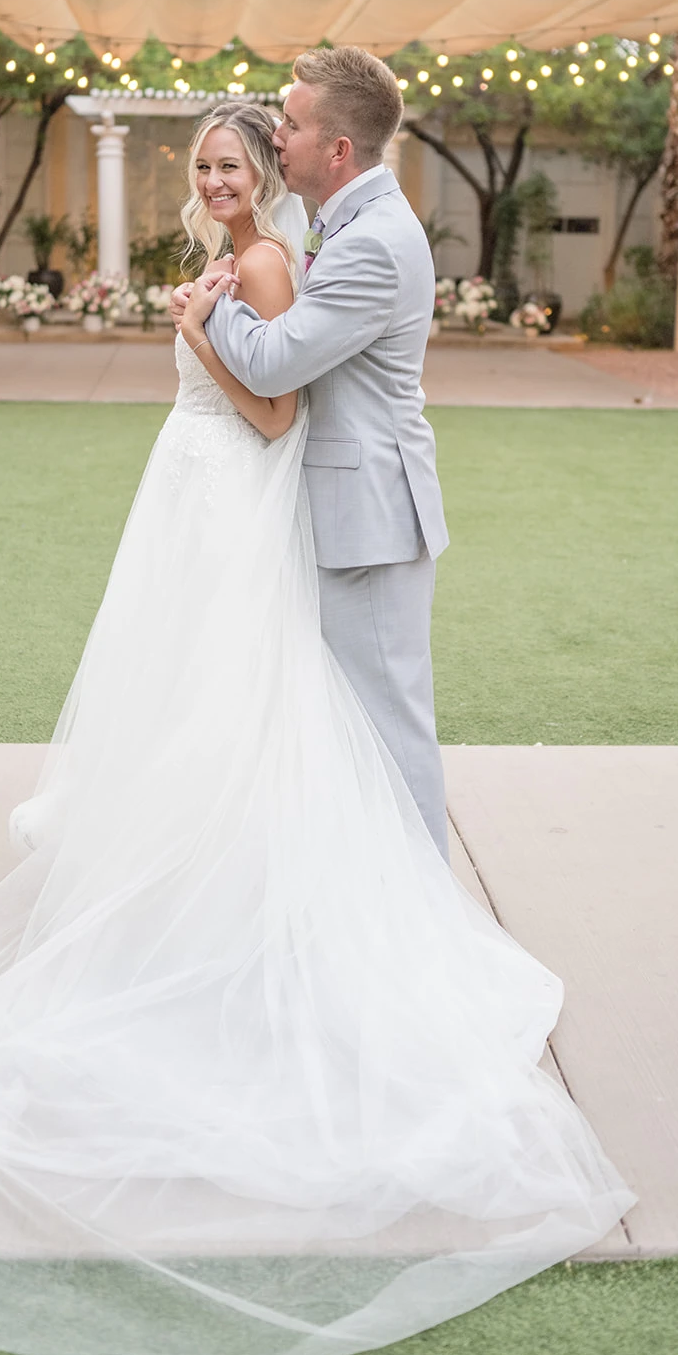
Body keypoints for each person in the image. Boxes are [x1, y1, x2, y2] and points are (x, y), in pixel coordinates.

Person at [0, 96, 635, 1355]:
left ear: (276, 166)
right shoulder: (243, 254)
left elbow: (274, 410)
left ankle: (331, 938)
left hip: (237, 498)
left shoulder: (271, 259)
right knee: (190, 724)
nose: (216, 178)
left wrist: (202, 324)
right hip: (194, 506)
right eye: (203, 163)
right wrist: (201, 311)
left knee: (254, 724)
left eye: (235, 161)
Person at [176, 48, 452, 859]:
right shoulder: (349, 224)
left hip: (365, 516)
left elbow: (272, 362)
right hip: (340, 505)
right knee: (343, 721)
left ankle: (420, 916)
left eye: (290, 124)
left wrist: (205, 307)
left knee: (385, 722)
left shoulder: (372, 241)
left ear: (337, 150)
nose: (275, 134)